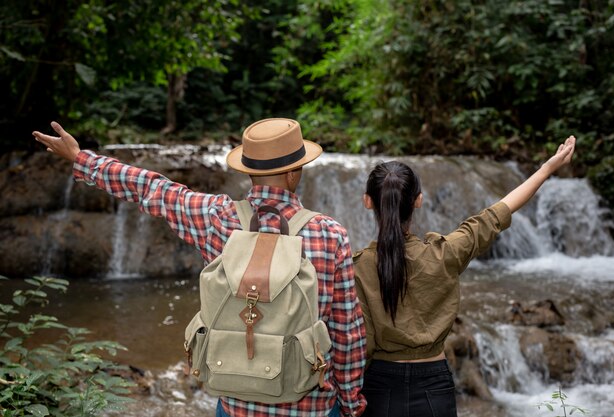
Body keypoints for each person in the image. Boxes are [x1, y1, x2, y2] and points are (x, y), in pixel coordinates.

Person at [32, 119, 367, 417]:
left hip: (236, 403)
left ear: (248, 171)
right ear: (296, 171)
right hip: (309, 405)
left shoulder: (217, 219)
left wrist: (81, 158)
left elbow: (153, 189)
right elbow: (347, 331)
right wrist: (351, 403)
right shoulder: (328, 233)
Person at [353, 136, 576, 417]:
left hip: (379, 385)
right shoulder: (446, 253)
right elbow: (497, 214)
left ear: (368, 202)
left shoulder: (358, 266)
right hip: (434, 384)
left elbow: (362, 341)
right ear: (418, 201)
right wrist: (546, 168)